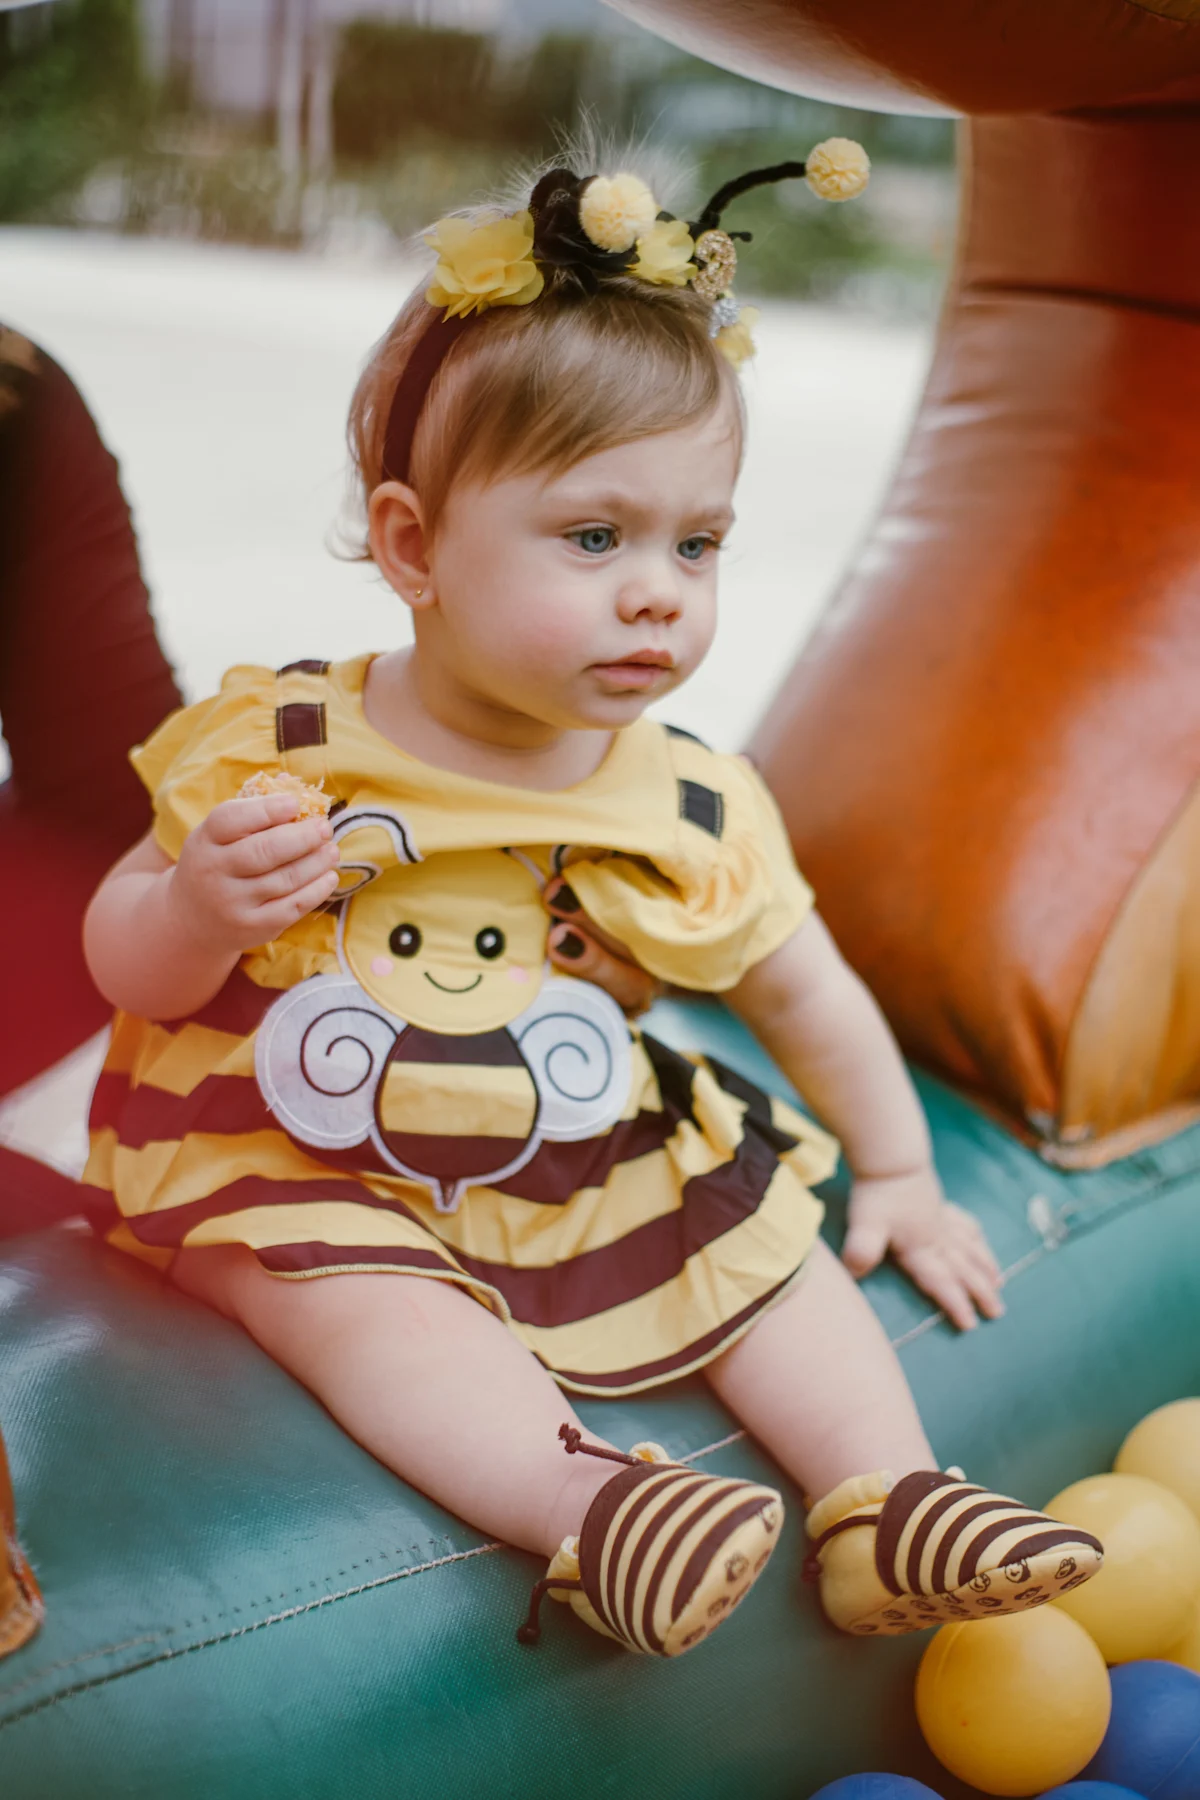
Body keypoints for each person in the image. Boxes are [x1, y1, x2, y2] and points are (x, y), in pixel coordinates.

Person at [80, 146, 1103, 1659]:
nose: (660, 593)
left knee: (766, 1243)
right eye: (595, 537)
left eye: (698, 544)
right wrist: (199, 911)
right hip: (310, 1151)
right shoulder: (287, 741)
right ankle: (588, 1515)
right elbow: (127, 960)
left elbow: (801, 986)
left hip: (570, 1142)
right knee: (358, 1306)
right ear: (414, 546)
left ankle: (886, 1507)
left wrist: (895, 1172)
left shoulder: (684, 794)